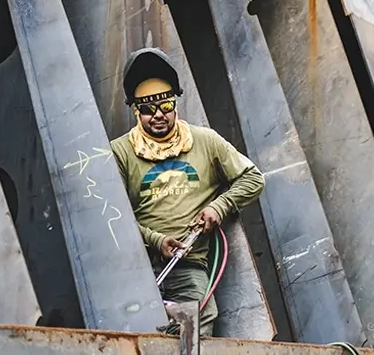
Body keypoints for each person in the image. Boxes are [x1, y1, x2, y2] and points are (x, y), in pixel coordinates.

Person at [110, 47, 265, 337]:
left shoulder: (205, 141)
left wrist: (219, 207)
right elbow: (112, 215)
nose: (158, 115)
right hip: (135, 267)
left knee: (198, 323)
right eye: (147, 108)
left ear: (175, 104)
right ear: (136, 110)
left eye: (165, 106)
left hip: (188, 264)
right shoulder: (119, 152)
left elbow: (253, 178)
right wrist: (156, 241)